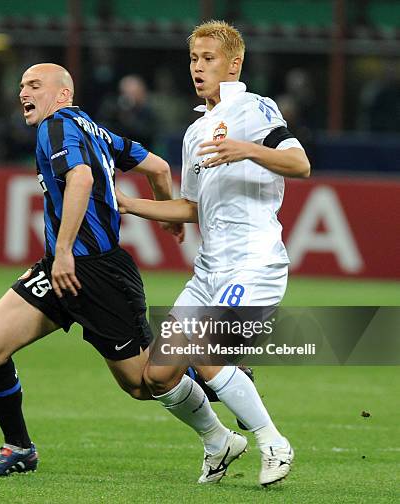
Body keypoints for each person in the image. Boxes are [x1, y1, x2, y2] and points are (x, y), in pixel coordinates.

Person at [0, 62, 214, 477]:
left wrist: (64, 249)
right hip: (61, 269)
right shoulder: (93, 129)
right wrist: (166, 213)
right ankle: (18, 448)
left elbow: (80, 179)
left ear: (62, 94)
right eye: (21, 86)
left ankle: (218, 373)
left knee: (142, 384)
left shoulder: (56, 127)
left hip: (96, 272)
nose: (23, 93)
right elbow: (156, 166)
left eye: (34, 85)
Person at [117, 20, 310, 486]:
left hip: (255, 261)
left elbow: (299, 163)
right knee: (157, 375)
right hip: (209, 271)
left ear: (234, 64)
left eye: (208, 59)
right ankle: (219, 440)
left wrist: (244, 149)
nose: (198, 68)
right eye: (193, 60)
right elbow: (191, 206)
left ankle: (273, 443)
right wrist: (127, 203)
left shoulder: (253, 107)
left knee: (205, 351)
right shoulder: (195, 131)